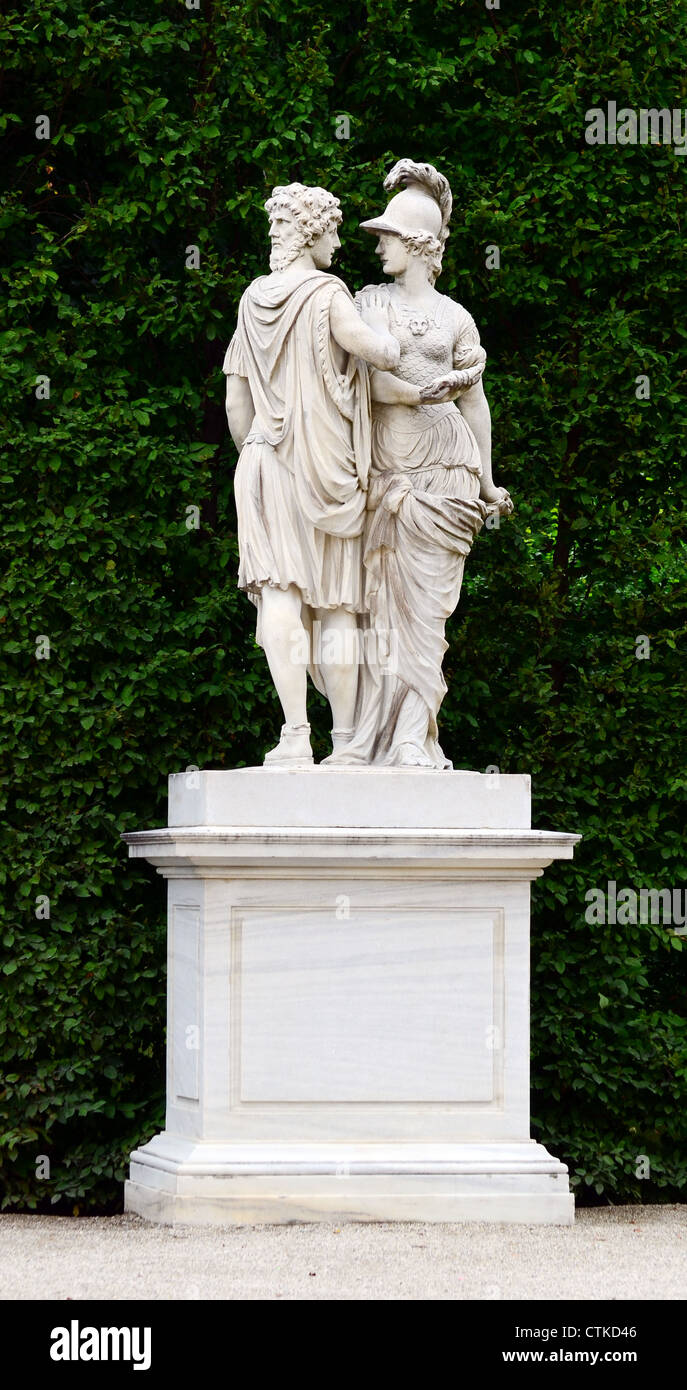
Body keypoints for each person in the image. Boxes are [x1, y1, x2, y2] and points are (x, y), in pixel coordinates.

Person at [334, 160, 513, 769]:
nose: (378, 244)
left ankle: (413, 734)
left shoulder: (457, 317)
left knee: (429, 611)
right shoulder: (365, 303)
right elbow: (362, 389)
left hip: (448, 471)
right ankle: (370, 734)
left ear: (415, 246)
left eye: (386, 236)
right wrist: (419, 391)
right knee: (380, 602)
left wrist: (487, 482)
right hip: (388, 472)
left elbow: (476, 403)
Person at [223, 183, 400, 766]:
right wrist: (391, 338)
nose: (339, 242)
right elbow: (371, 350)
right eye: (333, 231)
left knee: (279, 593)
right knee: (335, 606)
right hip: (322, 470)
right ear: (312, 232)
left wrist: (257, 450)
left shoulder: (252, 299)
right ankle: (346, 741)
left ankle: (294, 734)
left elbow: (235, 403)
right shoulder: (328, 293)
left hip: (263, 462)